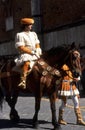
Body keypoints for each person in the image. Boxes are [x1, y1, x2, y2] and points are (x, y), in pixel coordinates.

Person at [15, 18, 42, 89]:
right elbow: (21, 47)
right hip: (26, 54)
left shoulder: (34, 34)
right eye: (30, 25)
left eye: (31, 25)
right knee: (27, 63)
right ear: (25, 26)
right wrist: (31, 52)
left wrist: (38, 49)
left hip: (35, 53)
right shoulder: (20, 35)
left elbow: (37, 43)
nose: (31, 26)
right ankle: (23, 80)